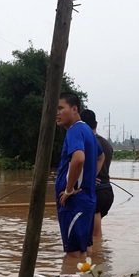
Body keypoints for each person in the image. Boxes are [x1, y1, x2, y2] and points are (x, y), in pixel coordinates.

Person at [55, 93, 104, 257]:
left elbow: (78, 159)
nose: (57, 113)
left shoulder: (74, 130)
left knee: (74, 254)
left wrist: (69, 189)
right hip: (86, 200)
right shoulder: (87, 130)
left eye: (61, 108)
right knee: (85, 251)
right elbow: (100, 156)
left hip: (74, 203)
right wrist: (88, 180)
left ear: (74, 109)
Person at [81, 109, 114, 237]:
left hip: (96, 191)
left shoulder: (87, 142)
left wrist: (88, 178)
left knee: (94, 238)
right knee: (95, 234)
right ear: (96, 123)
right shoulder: (106, 143)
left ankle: (96, 256)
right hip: (107, 190)